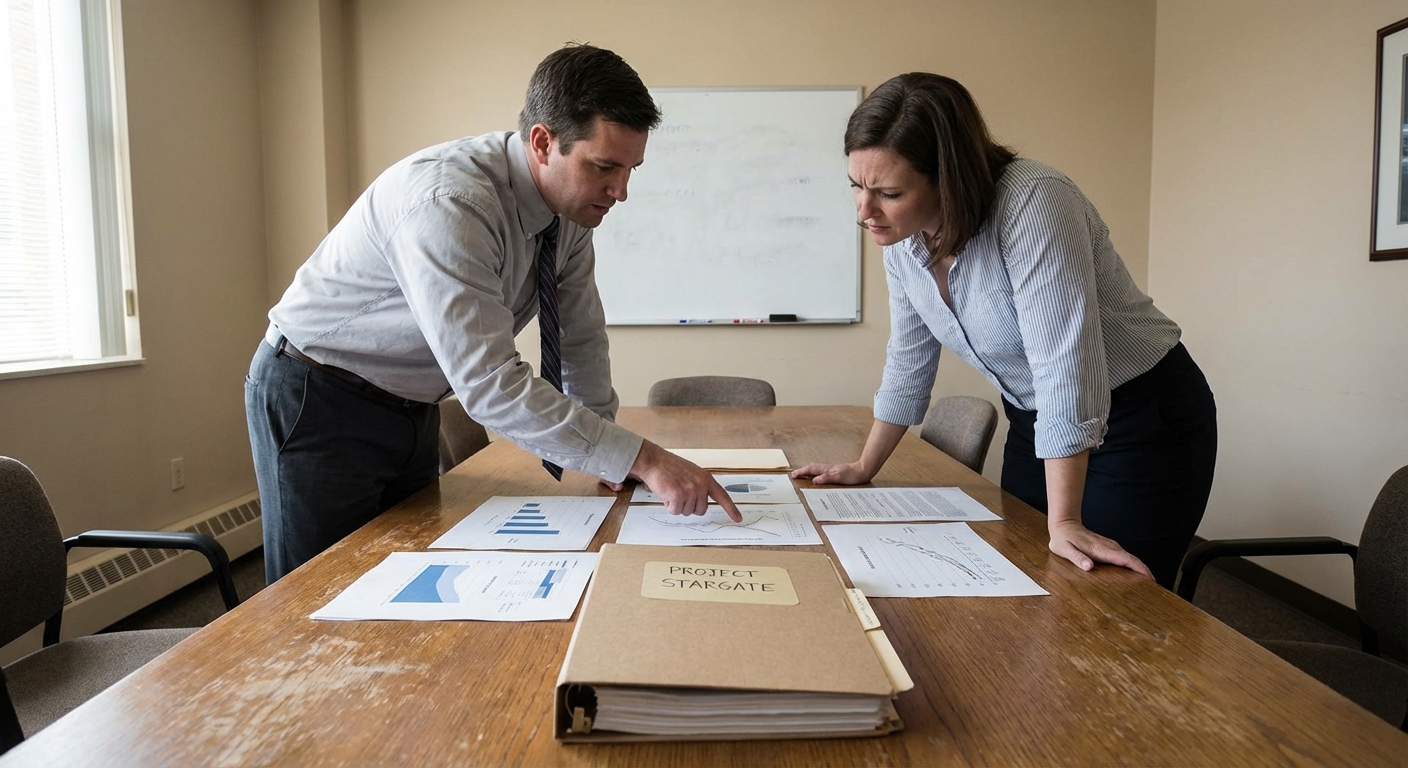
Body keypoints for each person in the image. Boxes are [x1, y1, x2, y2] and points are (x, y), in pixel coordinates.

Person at [246, 44, 740, 583]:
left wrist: (613, 460)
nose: (620, 192)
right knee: (316, 595)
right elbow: (489, 383)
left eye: (630, 169)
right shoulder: (449, 201)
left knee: (394, 577)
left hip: (410, 404)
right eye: (604, 167)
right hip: (318, 394)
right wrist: (643, 458)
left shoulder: (570, 213)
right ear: (543, 142)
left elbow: (581, 339)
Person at [791, 73, 1217, 589]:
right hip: (1039, 416)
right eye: (856, 186)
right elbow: (909, 358)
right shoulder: (904, 236)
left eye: (889, 192)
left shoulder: (1035, 202)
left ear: (948, 179)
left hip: (1141, 418)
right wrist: (865, 464)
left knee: (1108, 598)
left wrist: (1064, 521)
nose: (864, 210)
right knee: (1026, 571)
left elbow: (1065, 363)